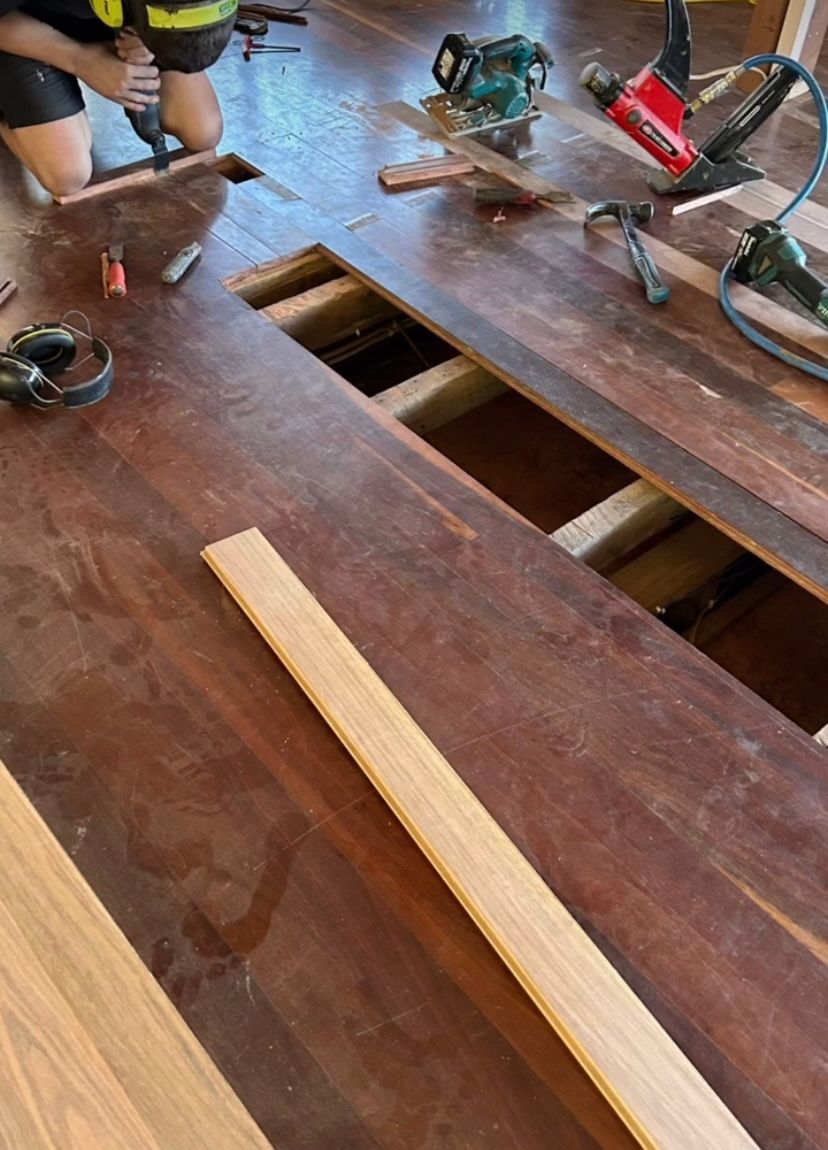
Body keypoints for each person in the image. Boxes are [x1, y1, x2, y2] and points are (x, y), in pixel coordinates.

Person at [0, 0, 235, 197]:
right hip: (25, 25)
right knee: (67, 175)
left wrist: (146, 39)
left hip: (124, 16)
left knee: (204, 132)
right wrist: (78, 60)